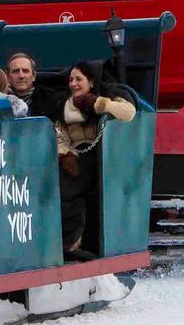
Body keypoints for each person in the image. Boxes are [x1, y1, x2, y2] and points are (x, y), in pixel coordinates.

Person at [53, 59, 137, 259]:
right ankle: (70, 242)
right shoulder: (66, 105)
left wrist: (99, 104)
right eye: (71, 79)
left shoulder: (107, 96)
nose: (73, 84)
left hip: (101, 158)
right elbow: (58, 133)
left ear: (91, 82)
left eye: (78, 79)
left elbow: (128, 113)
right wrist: (65, 153)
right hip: (74, 158)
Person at [4, 51, 64, 119]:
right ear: (8, 77)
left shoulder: (50, 100)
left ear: (34, 76)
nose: (21, 76)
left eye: (25, 71)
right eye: (16, 71)